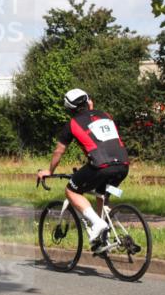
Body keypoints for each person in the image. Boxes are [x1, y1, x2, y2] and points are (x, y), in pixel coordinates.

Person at [37, 88, 129, 252]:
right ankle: (105, 239)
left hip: (101, 166)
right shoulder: (106, 115)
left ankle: (98, 224)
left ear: (69, 109)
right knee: (101, 195)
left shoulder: (72, 124)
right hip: (123, 165)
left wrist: (50, 171)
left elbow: (59, 151)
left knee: (71, 190)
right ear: (88, 101)